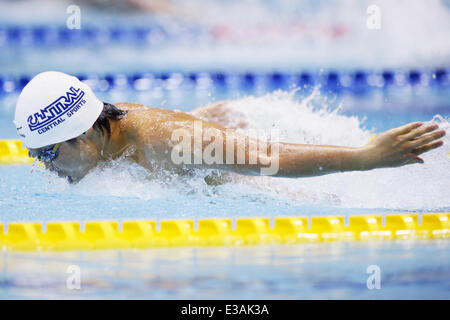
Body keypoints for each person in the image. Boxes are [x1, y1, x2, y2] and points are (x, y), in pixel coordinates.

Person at [14, 71, 446, 184]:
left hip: (243, 159)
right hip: (213, 134)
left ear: (88, 132)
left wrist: (366, 158)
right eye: (37, 156)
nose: (46, 167)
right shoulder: (105, 131)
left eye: (49, 153)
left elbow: (266, 159)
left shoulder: (169, 143)